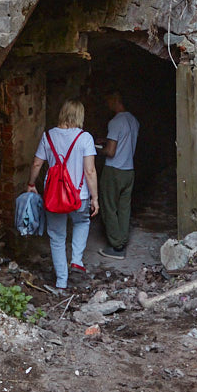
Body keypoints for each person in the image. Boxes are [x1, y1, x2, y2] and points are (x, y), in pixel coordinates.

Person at [26, 99, 97, 290]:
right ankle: (76, 260)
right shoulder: (85, 138)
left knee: (57, 237)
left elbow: (37, 163)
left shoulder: (48, 136)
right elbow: (90, 171)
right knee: (82, 222)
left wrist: (31, 184)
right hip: (79, 195)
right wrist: (95, 198)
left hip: (54, 196)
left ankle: (61, 281)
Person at [98, 90, 139, 260]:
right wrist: (106, 140)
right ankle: (122, 239)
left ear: (115, 100)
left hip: (114, 170)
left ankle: (116, 245)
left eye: (109, 100)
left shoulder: (115, 122)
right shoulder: (133, 120)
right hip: (129, 169)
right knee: (124, 208)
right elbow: (123, 142)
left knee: (108, 207)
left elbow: (111, 151)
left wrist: (97, 149)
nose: (107, 104)